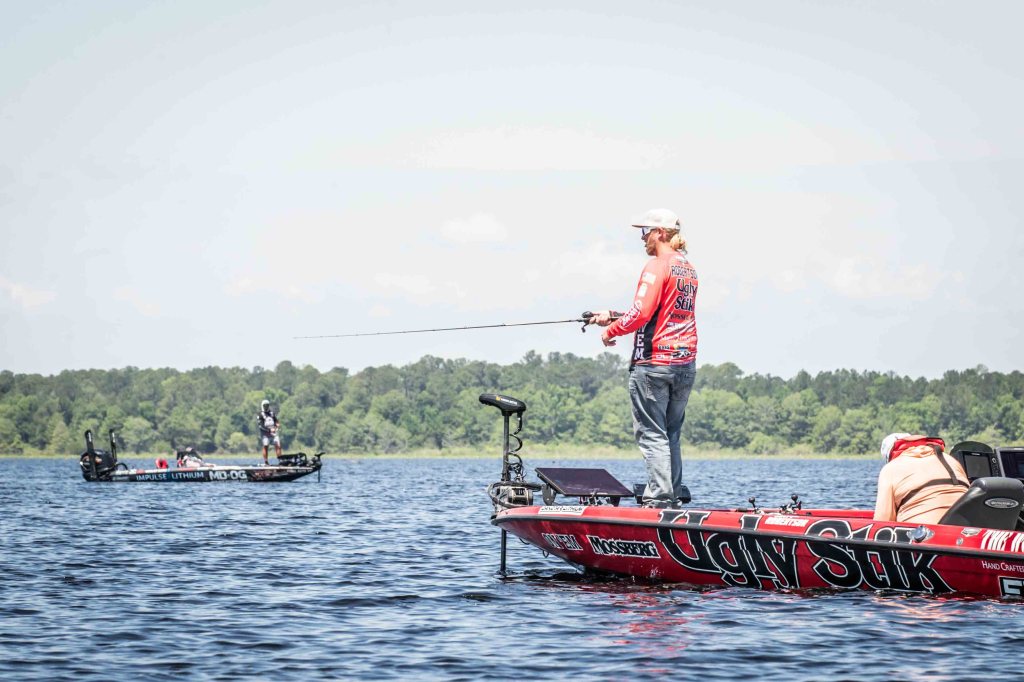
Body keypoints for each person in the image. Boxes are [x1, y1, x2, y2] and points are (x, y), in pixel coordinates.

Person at [590, 208, 699, 508]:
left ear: (660, 233)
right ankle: (672, 496)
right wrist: (612, 315)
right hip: (684, 364)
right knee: (671, 433)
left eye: (645, 232)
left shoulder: (655, 266)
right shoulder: (687, 268)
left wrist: (611, 331)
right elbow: (659, 313)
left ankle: (659, 500)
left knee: (652, 434)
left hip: (653, 365)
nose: (642, 238)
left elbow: (641, 313)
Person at [873, 433, 969, 524]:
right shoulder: (952, 461)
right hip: (967, 526)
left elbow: (882, 522)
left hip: (925, 532)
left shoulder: (890, 468)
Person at [257, 399, 282, 465]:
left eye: (267, 405)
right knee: (266, 446)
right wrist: (269, 430)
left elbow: (276, 421)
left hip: (274, 433)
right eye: (264, 406)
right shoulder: (260, 414)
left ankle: (281, 461)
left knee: (278, 446)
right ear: (262, 406)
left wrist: (277, 424)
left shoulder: (272, 413)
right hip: (265, 434)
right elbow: (261, 426)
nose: (266, 407)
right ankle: (266, 462)